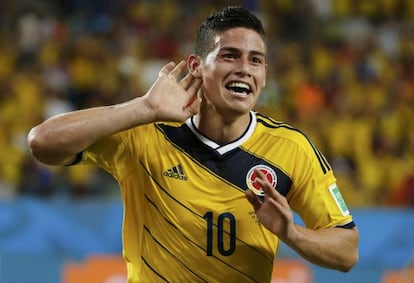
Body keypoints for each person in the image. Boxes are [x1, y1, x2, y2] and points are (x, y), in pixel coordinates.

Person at [27, 6, 359, 282]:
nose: (244, 69)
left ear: (265, 74)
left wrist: (292, 234)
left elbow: (347, 251)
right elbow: (42, 143)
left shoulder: (291, 148)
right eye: (230, 56)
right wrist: (141, 108)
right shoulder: (147, 133)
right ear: (197, 66)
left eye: (255, 60)